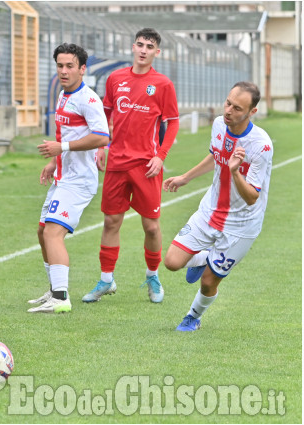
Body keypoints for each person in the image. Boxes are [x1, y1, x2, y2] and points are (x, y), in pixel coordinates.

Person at [163, 81, 272, 331]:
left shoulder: (261, 145)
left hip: (241, 225)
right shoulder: (219, 125)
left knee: (209, 282)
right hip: (210, 211)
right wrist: (185, 178)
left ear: (251, 112)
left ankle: (192, 316)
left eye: (237, 108)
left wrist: (235, 173)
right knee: (171, 261)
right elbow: (216, 155)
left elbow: (252, 197)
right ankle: (204, 259)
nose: (228, 111)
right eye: (228, 103)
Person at [82, 28, 179, 304]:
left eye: (150, 46)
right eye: (140, 44)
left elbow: (172, 122)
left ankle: (152, 276)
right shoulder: (115, 78)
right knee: (111, 221)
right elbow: (106, 114)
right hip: (117, 163)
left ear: (156, 52)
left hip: (146, 165)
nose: (144, 49)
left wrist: (160, 156)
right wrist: (102, 146)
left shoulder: (162, 85)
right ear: (132, 47)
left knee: (151, 227)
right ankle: (106, 280)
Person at [27, 43, 109, 313]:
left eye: (70, 66)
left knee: (53, 232)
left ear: (82, 69)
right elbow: (66, 135)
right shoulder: (63, 95)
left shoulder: (88, 99)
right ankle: (54, 290)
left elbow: (102, 136)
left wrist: (60, 149)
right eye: (60, 66)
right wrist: (54, 161)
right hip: (62, 176)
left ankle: (61, 299)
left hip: (79, 180)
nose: (64, 71)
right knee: (43, 232)